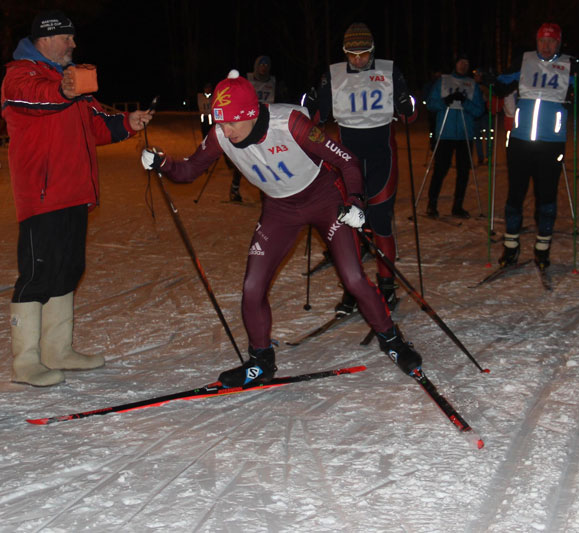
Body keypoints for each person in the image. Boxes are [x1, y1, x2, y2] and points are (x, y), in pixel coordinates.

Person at [140, 70, 423, 386]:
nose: (225, 131)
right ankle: (261, 361)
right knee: (252, 287)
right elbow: (190, 170)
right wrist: (162, 163)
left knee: (354, 278)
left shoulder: (289, 124)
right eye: (220, 122)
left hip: (324, 199)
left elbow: (347, 160)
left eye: (231, 122)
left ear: (250, 113)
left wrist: (356, 201)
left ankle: (393, 341)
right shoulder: (221, 135)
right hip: (280, 209)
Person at [1, 10, 154, 386]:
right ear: (45, 39)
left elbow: (97, 123)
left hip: (75, 192)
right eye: (66, 37)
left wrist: (128, 123)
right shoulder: (20, 75)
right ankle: (26, 361)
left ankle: (58, 350)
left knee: (69, 269)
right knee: (37, 274)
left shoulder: (70, 79)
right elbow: (39, 99)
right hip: (42, 194)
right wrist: (64, 91)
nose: (73, 43)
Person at [302, 22, 416, 315]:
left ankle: (387, 286)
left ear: (372, 50)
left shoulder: (389, 71)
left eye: (363, 54)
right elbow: (316, 118)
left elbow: (409, 116)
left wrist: (407, 103)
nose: (358, 60)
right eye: (352, 54)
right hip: (347, 159)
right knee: (347, 224)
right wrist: (309, 105)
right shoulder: (334, 74)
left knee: (379, 222)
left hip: (381, 156)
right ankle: (354, 288)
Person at [495, 23, 579, 271]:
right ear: (536, 42)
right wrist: (493, 79)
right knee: (515, 195)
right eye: (542, 41)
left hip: (551, 143)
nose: (546, 46)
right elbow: (500, 85)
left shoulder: (569, 64)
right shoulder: (525, 61)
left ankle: (542, 248)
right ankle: (510, 247)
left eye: (551, 42)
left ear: (558, 44)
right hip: (520, 141)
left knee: (546, 196)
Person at [425, 52, 485, 219]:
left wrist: (465, 103)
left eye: (466, 63)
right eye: (460, 62)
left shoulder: (472, 84)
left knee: (463, 172)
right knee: (440, 170)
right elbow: (431, 104)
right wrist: (445, 101)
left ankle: (457, 206)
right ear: (455, 63)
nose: (463, 65)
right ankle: (432, 204)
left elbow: (479, 110)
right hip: (446, 133)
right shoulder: (443, 81)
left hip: (465, 134)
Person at [230, 55, 287, 202]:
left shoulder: (273, 82)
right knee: (244, 156)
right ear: (256, 66)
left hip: (266, 124)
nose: (264, 67)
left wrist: (282, 92)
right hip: (248, 124)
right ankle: (235, 187)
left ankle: (265, 192)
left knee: (265, 158)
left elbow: (278, 102)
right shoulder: (248, 80)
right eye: (261, 64)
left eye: (266, 65)